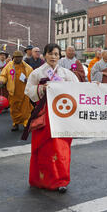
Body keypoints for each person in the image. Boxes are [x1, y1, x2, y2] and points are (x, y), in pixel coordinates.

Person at [23, 43, 79, 194]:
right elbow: (28, 90)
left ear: (59, 56)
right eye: (50, 53)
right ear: (45, 55)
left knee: (61, 149)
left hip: (62, 115)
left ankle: (61, 181)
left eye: (56, 54)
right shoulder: (37, 73)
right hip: (44, 113)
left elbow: (78, 89)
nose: (53, 56)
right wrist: (41, 88)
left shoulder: (67, 74)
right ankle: (41, 180)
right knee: (43, 149)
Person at [0, 51, 34, 132]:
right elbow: (3, 75)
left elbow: (32, 77)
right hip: (13, 92)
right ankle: (15, 123)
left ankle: (26, 123)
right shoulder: (9, 66)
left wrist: (28, 80)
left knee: (25, 110)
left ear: (22, 58)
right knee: (14, 109)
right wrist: (2, 81)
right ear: (13, 57)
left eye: (19, 57)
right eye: (16, 57)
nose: (18, 59)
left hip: (24, 92)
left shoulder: (27, 67)